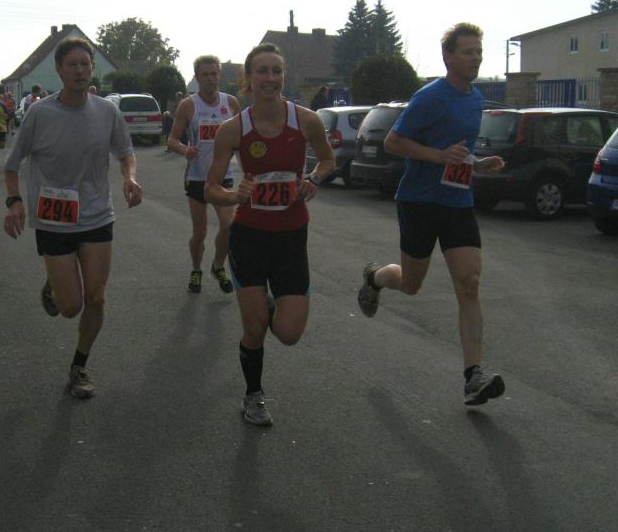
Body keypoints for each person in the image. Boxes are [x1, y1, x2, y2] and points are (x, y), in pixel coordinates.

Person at [356, 22, 507, 406]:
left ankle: (473, 377)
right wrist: (437, 156)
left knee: (469, 282)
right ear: (448, 56)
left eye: (478, 51)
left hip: (458, 202)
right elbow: (393, 142)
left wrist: (479, 164)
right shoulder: (429, 97)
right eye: (468, 51)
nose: (475, 58)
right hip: (419, 201)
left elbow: (458, 152)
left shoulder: (475, 100)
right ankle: (375, 277)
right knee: (411, 283)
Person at [3, 37, 142, 399]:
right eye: (72, 65)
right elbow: (12, 165)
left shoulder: (107, 111)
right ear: (60, 70)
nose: (80, 71)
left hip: (97, 215)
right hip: (54, 220)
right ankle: (54, 283)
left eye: (85, 64)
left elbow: (126, 152)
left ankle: (79, 365)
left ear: (92, 68)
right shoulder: (39, 113)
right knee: (70, 307)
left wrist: (129, 177)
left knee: (96, 297)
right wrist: (14, 202)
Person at [206, 43, 336, 426]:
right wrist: (234, 195)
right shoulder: (233, 129)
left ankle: (269, 305)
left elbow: (327, 160)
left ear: (284, 76)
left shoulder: (307, 121)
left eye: (276, 71)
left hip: (291, 236)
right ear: (248, 78)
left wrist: (313, 179)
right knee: (254, 327)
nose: (270, 78)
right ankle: (253, 395)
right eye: (262, 71)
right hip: (249, 237)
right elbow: (210, 188)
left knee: (290, 333)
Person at [167, 55, 241, 294]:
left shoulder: (231, 103)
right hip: (197, 177)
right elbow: (172, 139)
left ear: (219, 75)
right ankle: (196, 269)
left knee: (229, 226)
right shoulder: (189, 105)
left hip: (223, 176)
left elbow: (242, 139)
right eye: (205, 74)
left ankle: (218, 266)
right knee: (200, 233)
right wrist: (185, 150)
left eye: (214, 74)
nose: (210, 79)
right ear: (197, 77)